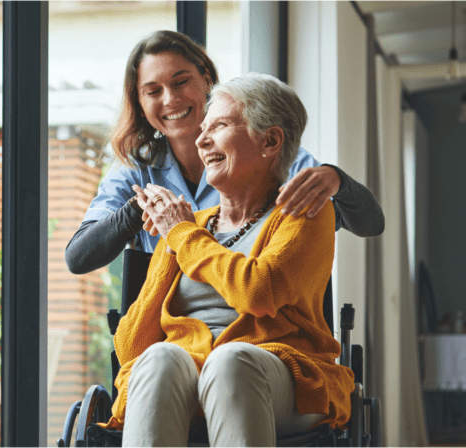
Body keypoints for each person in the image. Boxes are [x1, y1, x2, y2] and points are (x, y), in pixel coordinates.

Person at [101, 73, 354, 447]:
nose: (200, 140)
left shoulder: (305, 213)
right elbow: (130, 347)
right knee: (157, 360)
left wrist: (182, 236)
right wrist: (172, 244)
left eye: (218, 125)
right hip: (189, 375)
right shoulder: (188, 226)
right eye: (203, 129)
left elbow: (258, 290)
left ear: (270, 141)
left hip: (284, 375)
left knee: (231, 361)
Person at [65, 30, 384, 275]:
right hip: (174, 332)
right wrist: (138, 209)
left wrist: (336, 179)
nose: (170, 99)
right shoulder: (138, 170)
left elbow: (370, 223)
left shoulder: (269, 152)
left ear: (206, 77)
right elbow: (78, 258)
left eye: (181, 82)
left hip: (260, 325)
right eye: (153, 91)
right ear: (139, 101)